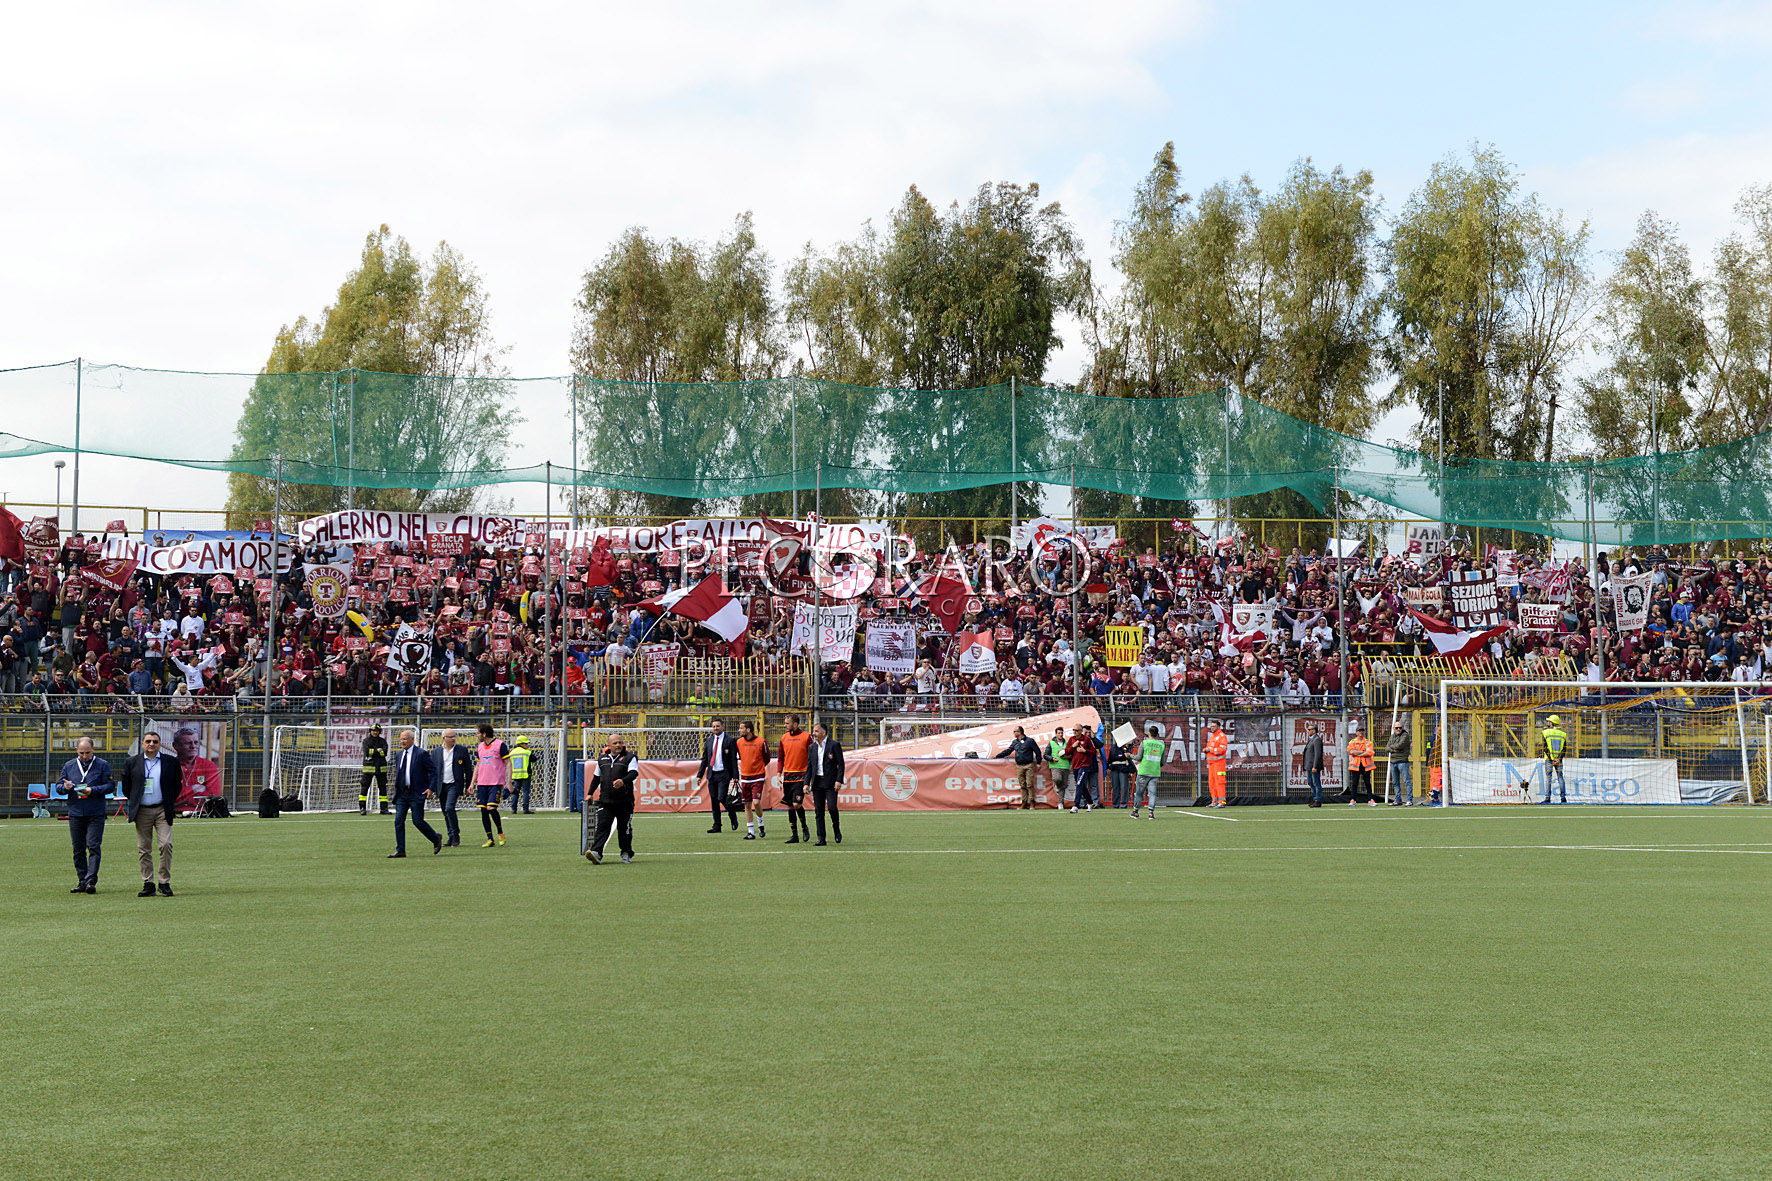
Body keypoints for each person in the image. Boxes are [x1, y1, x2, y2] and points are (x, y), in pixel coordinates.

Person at [120, 730, 182, 897]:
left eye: (155, 741)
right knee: (144, 848)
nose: (151, 744)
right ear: (142, 744)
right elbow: (127, 786)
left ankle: (164, 882)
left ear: (159, 744)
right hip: (142, 811)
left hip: (162, 809)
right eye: (148, 741)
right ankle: (148, 882)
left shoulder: (170, 762)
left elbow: (177, 785)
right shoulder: (132, 762)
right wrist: (136, 800)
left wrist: (168, 800)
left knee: (166, 844)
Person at [60, 736, 113, 893]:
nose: (84, 756)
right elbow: (58, 786)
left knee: (93, 846)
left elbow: (110, 786)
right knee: (78, 848)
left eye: (87, 752)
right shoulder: (69, 766)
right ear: (76, 750)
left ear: (93, 750)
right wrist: (66, 787)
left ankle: (91, 881)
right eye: (81, 752)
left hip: (95, 813)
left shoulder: (103, 765)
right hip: (76, 812)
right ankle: (82, 880)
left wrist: (92, 790)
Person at [388, 728, 442, 857]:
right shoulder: (399, 755)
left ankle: (435, 838)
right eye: (401, 739)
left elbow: (433, 772)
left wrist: (431, 788)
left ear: (412, 739)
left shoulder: (421, 754)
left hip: (416, 793)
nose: (402, 741)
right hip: (402, 793)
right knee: (398, 821)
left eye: (405, 739)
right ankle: (400, 850)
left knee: (417, 821)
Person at [586, 734, 638, 864]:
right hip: (605, 800)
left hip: (624, 801)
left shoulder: (629, 757)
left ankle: (626, 853)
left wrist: (623, 781)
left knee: (624, 828)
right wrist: (590, 793)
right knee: (602, 826)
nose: (618, 745)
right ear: (609, 745)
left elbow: (633, 773)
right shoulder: (602, 759)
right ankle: (596, 852)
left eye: (620, 742)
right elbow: (596, 777)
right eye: (615, 743)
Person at [695, 718, 742, 833]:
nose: (715, 728)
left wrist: (735, 775)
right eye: (714, 726)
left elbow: (733, 759)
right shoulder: (709, 741)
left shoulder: (730, 740)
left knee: (721, 797)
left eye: (717, 726)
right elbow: (705, 759)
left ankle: (732, 815)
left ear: (723, 726)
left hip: (724, 774)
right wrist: (699, 775)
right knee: (714, 800)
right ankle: (717, 825)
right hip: (712, 774)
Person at [432, 729, 474, 847]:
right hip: (441, 785)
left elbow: (468, 769)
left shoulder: (462, 750)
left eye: (454, 736)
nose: (453, 739)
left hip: (454, 785)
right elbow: (433, 771)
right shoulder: (436, 752)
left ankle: (456, 835)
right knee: (445, 811)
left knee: (450, 808)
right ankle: (450, 836)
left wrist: (469, 785)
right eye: (450, 737)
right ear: (444, 738)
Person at [776, 714, 813, 844]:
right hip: (788, 777)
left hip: (801, 776)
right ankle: (794, 835)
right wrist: (779, 772)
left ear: (795, 724)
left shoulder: (806, 737)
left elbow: (812, 756)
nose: (785, 725)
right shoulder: (784, 738)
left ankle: (804, 826)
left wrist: (810, 775)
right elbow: (781, 757)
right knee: (790, 807)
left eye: (787, 723)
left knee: (797, 804)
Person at [473, 723, 510, 847]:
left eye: (478, 733)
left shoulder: (500, 745)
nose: (477, 735)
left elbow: (508, 763)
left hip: (496, 783)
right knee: (483, 810)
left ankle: (500, 833)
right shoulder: (480, 747)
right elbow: (478, 766)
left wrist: (508, 782)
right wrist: (472, 783)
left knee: (491, 808)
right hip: (482, 783)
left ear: (484, 734)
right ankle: (490, 838)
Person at [171, 725, 223, 813]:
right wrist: (195, 788)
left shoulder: (209, 766)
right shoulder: (168, 767)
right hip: (174, 813)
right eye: (188, 743)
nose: (193, 746)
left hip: (202, 813)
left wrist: (185, 799)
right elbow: (168, 797)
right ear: (175, 746)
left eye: (196, 742)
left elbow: (212, 797)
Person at [809, 721, 844, 846]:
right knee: (819, 811)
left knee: (832, 808)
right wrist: (806, 783)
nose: (814, 734)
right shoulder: (812, 747)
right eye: (814, 731)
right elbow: (810, 767)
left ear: (823, 733)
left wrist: (839, 780)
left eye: (816, 731)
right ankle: (821, 838)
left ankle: (836, 830)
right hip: (817, 783)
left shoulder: (834, 745)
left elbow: (841, 764)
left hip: (830, 782)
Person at [996, 725, 1043, 809]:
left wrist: (1038, 762)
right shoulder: (1015, 742)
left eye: (1015, 731)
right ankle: (1024, 803)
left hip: (1029, 765)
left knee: (1030, 784)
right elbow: (1009, 751)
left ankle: (1032, 803)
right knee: (1022, 785)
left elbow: (1037, 751)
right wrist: (998, 755)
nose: (1013, 733)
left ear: (1020, 732)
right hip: (1019, 765)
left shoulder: (1030, 741)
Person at [735, 720, 769, 840]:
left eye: (741, 728)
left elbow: (767, 758)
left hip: (758, 777)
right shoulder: (739, 742)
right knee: (747, 804)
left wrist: (758, 769)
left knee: (756, 802)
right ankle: (751, 831)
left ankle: (761, 824)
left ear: (748, 730)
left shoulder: (761, 742)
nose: (739, 730)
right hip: (744, 777)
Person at [1065, 725, 1100, 812]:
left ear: (1081, 731)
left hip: (1084, 765)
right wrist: (1073, 746)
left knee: (1079, 784)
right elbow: (1066, 752)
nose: (1075, 732)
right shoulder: (1071, 739)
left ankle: (1076, 805)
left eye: (1076, 730)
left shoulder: (1087, 739)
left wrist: (1085, 751)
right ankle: (1090, 803)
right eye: (1073, 730)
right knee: (1082, 786)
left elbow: (1094, 751)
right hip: (1075, 765)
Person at [1133, 722, 1164, 819]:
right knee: (1153, 793)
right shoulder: (1161, 745)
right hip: (1154, 772)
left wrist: (1130, 756)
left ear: (1149, 733)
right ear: (1157, 734)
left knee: (1139, 793)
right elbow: (1163, 761)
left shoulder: (1144, 743)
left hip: (1143, 771)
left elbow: (1138, 757)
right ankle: (1151, 813)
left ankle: (1136, 812)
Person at [359, 722, 390, 815]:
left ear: (379, 732)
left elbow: (384, 752)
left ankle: (384, 809)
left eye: (376, 731)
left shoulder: (383, 741)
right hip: (369, 769)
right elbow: (367, 752)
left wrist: (374, 751)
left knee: (383, 789)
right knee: (364, 788)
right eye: (373, 731)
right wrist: (378, 750)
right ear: (370, 731)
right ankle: (362, 808)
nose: (375, 732)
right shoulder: (366, 741)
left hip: (381, 769)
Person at [1540, 714, 1569, 804]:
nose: (1548, 723)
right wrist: (1558, 759)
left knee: (1548, 778)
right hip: (1558, 759)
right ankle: (1563, 798)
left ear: (1552, 723)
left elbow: (1545, 747)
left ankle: (1547, 798)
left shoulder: (1545, 732)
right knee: (1560, 777)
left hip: (1549, 759)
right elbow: (1564, 748)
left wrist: (1551, 758)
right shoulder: (1563, 734)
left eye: (1549, 721)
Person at [1346, 724, 1376, 806]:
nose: (1361, 732)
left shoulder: (1367, 742)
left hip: (1366, 765)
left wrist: (1357, 753)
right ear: (1356, 732)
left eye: (1362, 731)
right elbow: (1350, 751)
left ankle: (1370, 799)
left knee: (1367, 783)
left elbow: (1370, 752)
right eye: (1359, 731)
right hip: (1356, 765)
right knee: (1355, 783)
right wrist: (1363, 752)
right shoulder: (1352, 742)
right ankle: (1353, 800)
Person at [1105, 731, 1136, 810]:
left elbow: (1129, 758)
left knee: (1124, 787)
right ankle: (1115, 804)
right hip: (1115, 769)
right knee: (1115, 787)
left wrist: (1131, 770)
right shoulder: (1113, 747)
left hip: (1123, 769)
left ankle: (1123, 804)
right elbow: (1112, 757)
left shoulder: (1126, 748)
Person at [1386, 719, 1413, 806]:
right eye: (1396, 728)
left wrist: (1392, 748)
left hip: (1402, 761)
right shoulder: (1392, 736)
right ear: (1393, 728)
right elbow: (1387, 748)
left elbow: (1400, 745)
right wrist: (1394, 749)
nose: (1398, 729)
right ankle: (1398, 800)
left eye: (1400, 728)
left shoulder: (1405, 736)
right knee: (1395, 782)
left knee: (1406, 781)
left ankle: (1409, 800)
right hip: (1393, 762)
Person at [1203, 718, 1229, 808]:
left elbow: (1222, 749)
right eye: (1211, 726)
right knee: (1212, 783)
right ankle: (1214, 801)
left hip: (1219, 764)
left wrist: (1210, 750)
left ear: (1218, 726)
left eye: (1214, 726)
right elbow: (1210, 748)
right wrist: (1206, 750)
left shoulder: (1222, 736)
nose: (1212, 728)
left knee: (1220, 782)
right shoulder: (1213, 736)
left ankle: (1222, 802)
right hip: (1212, 763)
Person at [507, 735, 534, 814]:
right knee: (525, 792)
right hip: (525, 775)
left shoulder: (512, 752)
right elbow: (534, 759)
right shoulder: (527, 752)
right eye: (525, 743)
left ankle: (513, 809)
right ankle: (525, 809)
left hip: (515, 775)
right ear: (521, 744)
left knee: (515, 792)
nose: (527, 745)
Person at [1046, 728, 1072, 808]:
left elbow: (1071, 755)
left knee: (1063, 786)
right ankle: (1056, 785)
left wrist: (1067, 756)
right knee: (1057, 779)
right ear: (1056, 734)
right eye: (1059, 733)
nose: (1060, 734)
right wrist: (1052, 758)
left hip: (1065, 766)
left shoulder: (1067, 743)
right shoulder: (1051, 743)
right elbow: (1046, 755)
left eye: (1061, 733)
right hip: (1055, 766)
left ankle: (1061, 803)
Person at [1302, 721, 1326, 808]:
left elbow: (1318, 754)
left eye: (1309, 729)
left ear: (1314, 730)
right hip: (1309, 766)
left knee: (1316, 782)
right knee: (1310, 782)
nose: (1307, 731)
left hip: (1313, 766)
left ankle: (1318, 800)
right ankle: (1315, 798)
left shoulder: (1317, 740)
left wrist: (1315, 766)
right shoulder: (1311, 740)